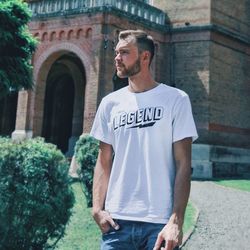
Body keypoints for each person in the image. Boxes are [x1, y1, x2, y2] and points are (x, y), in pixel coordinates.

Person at [90, 29, 198, 250]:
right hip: (117, 223)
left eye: (124, 52)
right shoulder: (110, 103)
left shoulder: (176, 100)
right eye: (116, 52)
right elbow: (103, 161)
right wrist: (97, 209)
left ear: (145, 57)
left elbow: (183, 164)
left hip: (159, 223)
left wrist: (176, 221)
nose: (117, 58)